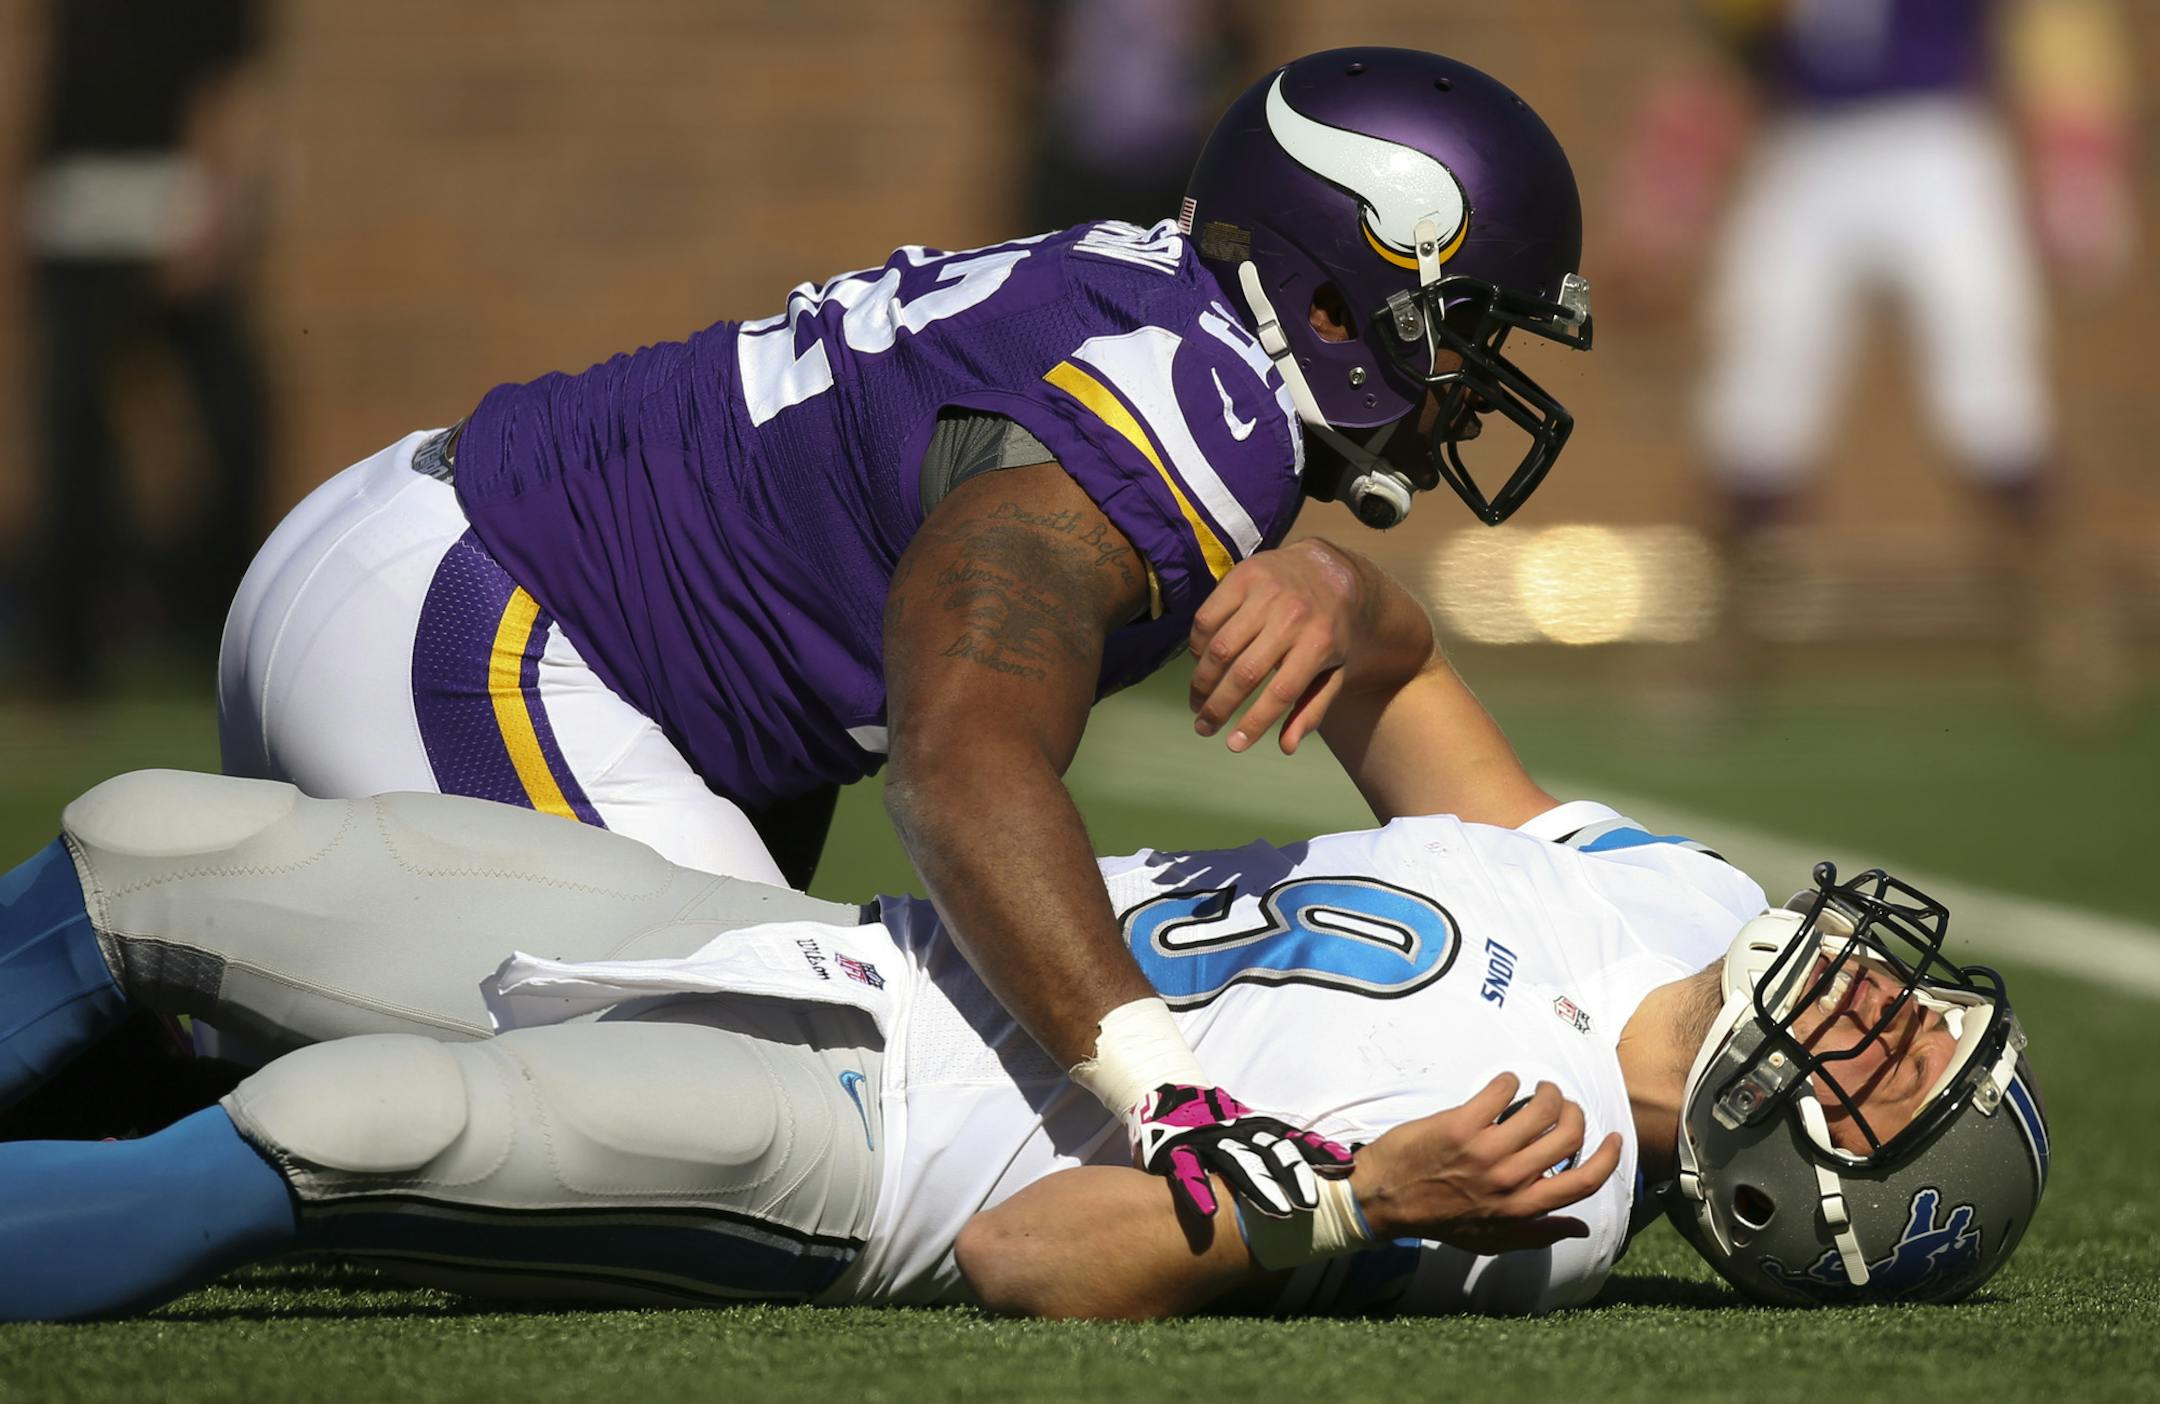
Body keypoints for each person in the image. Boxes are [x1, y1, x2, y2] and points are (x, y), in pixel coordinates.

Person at [211, 48, 1595, 1226]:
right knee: (753, 1129)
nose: (1478, 391)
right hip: (488, 626)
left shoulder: (1162, 318)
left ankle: (177, 1030)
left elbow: (824, 636)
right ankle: (181, 1052)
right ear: (1340, 299)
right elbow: (958, 757)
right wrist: (1176, 1100)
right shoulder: (1192, 418)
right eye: (1468, 333)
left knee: (780, 1068)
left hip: (476, 595)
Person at [0, 552, 2044, 1321]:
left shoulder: (1553, 1192)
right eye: (1920, 1012)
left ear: (1799, 1197)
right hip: (854, 947)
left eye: (1893, 1069)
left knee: (366, 1124)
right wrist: (1356, 612)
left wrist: (1350, 1207)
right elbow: (1407, 697)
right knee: (157, 845)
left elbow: (1018, 1254)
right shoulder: (1676, 895)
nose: (1882, 1001)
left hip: (871, 1153)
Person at [16, 0, 274, 694]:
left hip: (175, 204)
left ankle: (227, 634)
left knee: (234, 426)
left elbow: (233, 83)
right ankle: (68, 658)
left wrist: (215, 204)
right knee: (74, 446)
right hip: (75, 208)